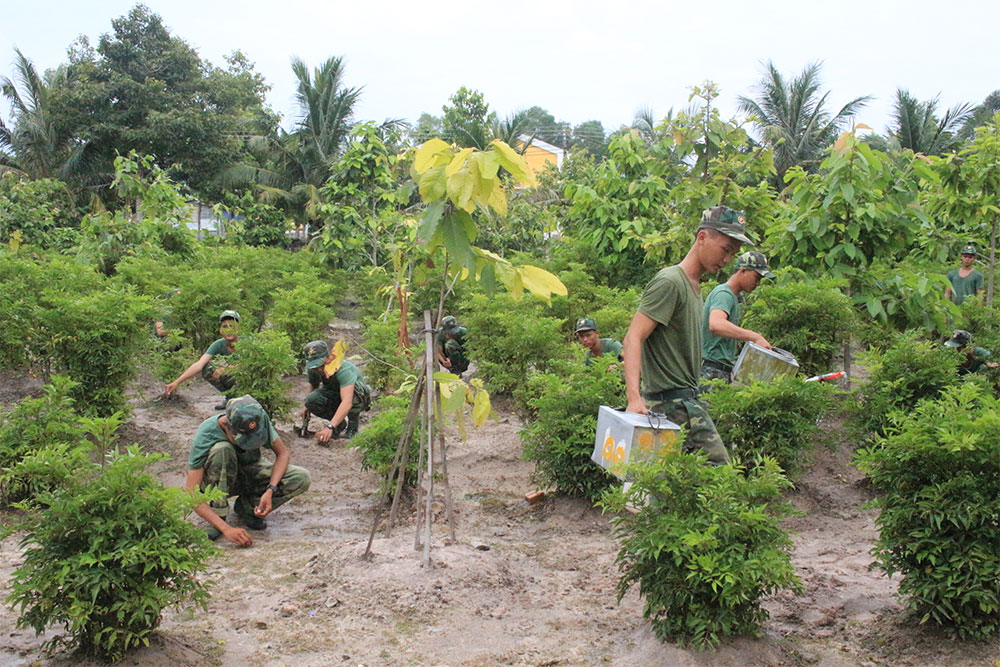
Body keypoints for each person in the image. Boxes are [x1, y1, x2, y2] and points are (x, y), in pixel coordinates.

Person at [622, 205, 754, 465]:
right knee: (718, 477)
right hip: (669, 405)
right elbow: (632, 338)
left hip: (687, 402)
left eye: (734, 254)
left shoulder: (695, 286)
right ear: (702, 238)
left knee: (679, 487)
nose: (728, 260)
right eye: (725, 250)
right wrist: (634, 398)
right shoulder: (671, 282)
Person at [186, 395, 311, 546]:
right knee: (222, 449)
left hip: (251, 469)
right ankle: (218, 516)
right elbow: (191, 494)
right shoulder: (206, 434)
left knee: (301, 477)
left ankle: (248, 507)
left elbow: (283, 454)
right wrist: (226, 529)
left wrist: (270, 490)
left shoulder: (257, 417)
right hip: (219, 479)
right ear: (227, 426)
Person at [700, 251, 775, 383]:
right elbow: (716, 324)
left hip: (721, 370)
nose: (758, 283)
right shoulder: (724, 294)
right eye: (756, 277)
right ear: (743, 270)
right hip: (710, 370)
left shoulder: (734, 297)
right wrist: (754, 337)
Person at [165, 310, 240, 410]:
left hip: (252, 382)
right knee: (207, 368)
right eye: (225, 326)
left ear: (239, 328)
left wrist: (227, 369)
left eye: (232, 326)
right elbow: (199, 364)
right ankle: (231, 397)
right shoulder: (219, 344)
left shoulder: (248, 342)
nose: (228, 330)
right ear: (221, 330)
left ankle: (245, 399)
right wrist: (177, 382)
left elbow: (252, 366)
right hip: (235, 378)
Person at [301, 340, 372, 444]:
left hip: (355, 397)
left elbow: (347, 402)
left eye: (320, 364)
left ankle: (352, 427)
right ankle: (339, 424)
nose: (318, 369)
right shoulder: (314, 369)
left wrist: (330, 427)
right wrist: (306, 407)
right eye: (315, 366)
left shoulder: (343, 370)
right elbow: (313, 385)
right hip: (334, 393)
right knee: (311, 400)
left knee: (354, 393)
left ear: (329, 357)